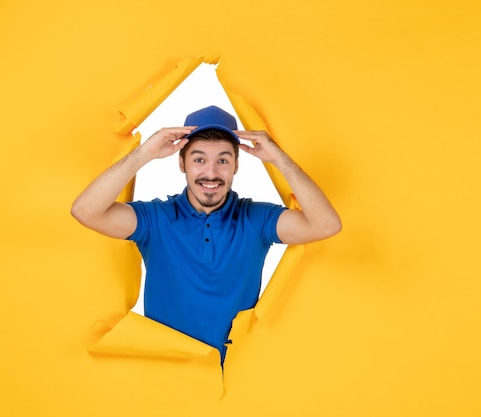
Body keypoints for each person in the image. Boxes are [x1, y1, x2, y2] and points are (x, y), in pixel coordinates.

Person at [71, 105, 342, 362]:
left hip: (239, 376)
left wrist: (279, 159)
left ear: (236, 165)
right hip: (165, 370)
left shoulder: (257, 218)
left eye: (222, 160)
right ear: (182, 163)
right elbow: (86, 211)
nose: (210, 173)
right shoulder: (155, 218)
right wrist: (144, 153)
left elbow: (325, 225)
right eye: (199, 159)